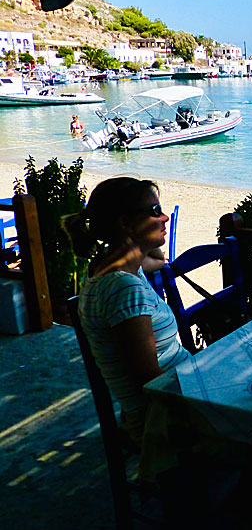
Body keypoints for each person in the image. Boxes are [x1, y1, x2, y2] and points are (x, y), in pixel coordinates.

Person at [62, 177, 187, 447]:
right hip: (164, 420)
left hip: (175, 400)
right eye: (154, 211)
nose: (164, 217)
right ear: (124, 223)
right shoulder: (123, 289)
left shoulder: (114, 267)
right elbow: (148, 381)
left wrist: (141, 241)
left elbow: (159, 260)